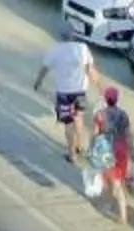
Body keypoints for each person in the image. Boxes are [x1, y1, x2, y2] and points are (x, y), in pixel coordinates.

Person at [33, 30, 97, 170]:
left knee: (68, 122)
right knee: (78, 119)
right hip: (80, 91)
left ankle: (71, 154)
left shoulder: (55, 50)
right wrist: (98, 85)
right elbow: (90, 69)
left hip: (64, 93)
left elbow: (45, 68)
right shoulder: (82, 48)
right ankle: (80, 146)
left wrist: (38, 81)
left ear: (60, 36)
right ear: (73, 35)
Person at [89, 84, 134, 220]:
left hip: (106, 150)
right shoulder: (124, 115)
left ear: (105, 99)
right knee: (116, 179)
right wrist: (132, 152)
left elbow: (95, 134)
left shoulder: (100, 115)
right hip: (121, 148)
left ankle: (123, 215)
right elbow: (128, 135)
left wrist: (92, 150)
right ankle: (113, 203)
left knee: (114, 182)